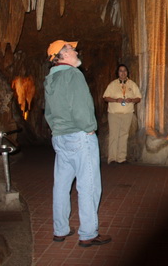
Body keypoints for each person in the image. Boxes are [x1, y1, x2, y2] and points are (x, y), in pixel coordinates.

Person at [44, 40, 111, 247]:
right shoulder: (73, 74)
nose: (76, 51)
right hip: (79, 136)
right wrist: (89, 127)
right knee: (88, 185)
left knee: (61, 186)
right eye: (71, 49)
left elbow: (49, 112)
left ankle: (60, 229)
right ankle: (88, 233)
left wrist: (57, 129)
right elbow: (80, 106)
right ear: (62, 55)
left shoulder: (50, 79)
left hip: (60, 137)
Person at [102, 64, 141, 164]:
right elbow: (105, 97)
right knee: (114, 135)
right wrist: (116, 100)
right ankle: (112, 158)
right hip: (114, 113)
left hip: (127, 113)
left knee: (124, 135)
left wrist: (131, 100)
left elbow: (138, 98)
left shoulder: (132, 84)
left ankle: (121, 158)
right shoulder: (112, 84)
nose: (123, 73)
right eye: (120, 71)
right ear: (118, 73)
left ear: (127, 72)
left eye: (124, 71)